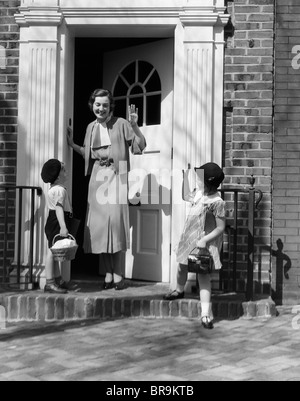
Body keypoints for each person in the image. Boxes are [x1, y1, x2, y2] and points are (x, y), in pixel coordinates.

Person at [67, 89, 146, 290]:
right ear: (92, 105)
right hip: (97, 179)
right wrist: (72, 145)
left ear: (110, 107)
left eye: (105, 105)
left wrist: (135, 126)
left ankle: (118, 273)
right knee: (102, 227)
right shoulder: (90, 127)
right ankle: (109, 274)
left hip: (116, 176)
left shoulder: (121, 124)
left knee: (116, 225)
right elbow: (88, 153)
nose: (101, 108)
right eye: (97, 104)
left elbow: (140, 146)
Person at [164, 162, 226, 330]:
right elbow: (185, 195)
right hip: (189, 239)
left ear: (208, 183)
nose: (197, 181)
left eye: (199, 179)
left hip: (203, 244)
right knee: (181, 266)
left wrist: (205, 240)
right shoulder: (199, 194)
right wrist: (184, 176)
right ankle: (179, 289)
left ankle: (206, 313)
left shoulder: (217, 202)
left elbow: (221, 227)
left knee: (203, 276)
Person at [41, 159, 74, 294]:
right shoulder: (59, 190)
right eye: (64, 170)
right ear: (58, 175)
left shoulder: (54, 189)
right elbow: (59, 208)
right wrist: (63, 226)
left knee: (54, 251)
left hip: (52, 221)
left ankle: (57, 279)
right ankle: (49, 283)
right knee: (51, 252)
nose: (66, 173)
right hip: (57, 221)